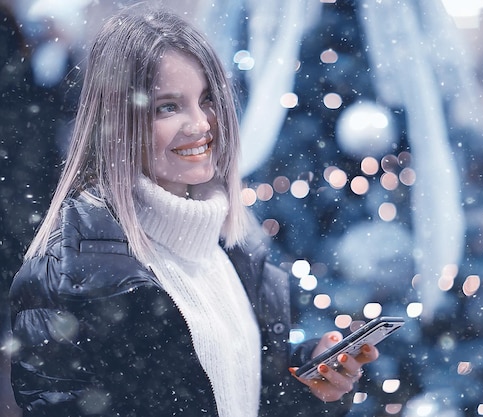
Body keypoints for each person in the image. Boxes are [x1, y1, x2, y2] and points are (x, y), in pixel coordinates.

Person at [9, 6, 378, 417]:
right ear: (118, 122)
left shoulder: (236, 253)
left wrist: (311, 386)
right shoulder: (65, 276)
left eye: (206, 100)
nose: (201, 124)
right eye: (168, 107)